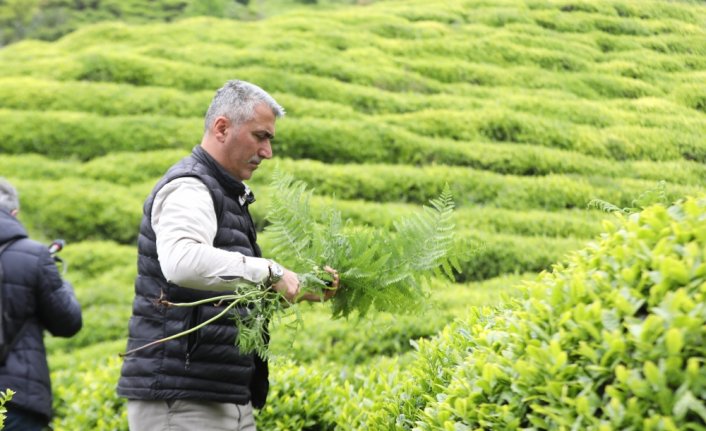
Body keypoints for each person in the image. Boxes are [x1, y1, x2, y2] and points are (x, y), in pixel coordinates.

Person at [117, 80, 339, 431]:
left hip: (221, 396)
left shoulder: (225, 193)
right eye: (260, 136)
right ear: (222, 128)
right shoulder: (190, 186)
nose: (267, 152)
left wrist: (296, 287)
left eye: (270, 140)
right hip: (182, 401)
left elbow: (222, 287)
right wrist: (270, 270)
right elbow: (183, 261)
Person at [0, 178, 83, 431]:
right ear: (14, 213)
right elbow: (68, 323)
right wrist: (61, 283)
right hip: (18, 397)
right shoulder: (34, 256)